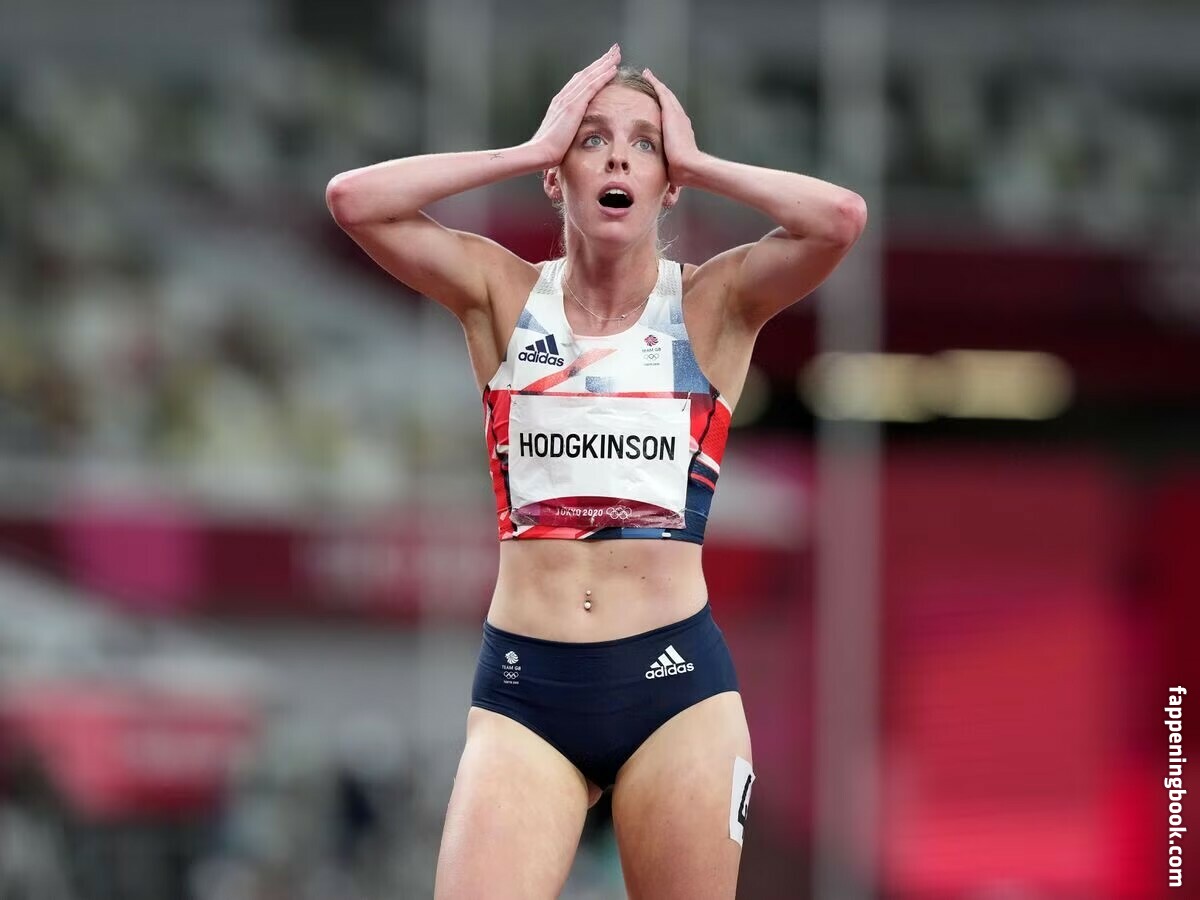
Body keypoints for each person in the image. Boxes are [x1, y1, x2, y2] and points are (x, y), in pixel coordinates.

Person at [326, 43, 866, 900]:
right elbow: (354, 201)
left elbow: (837, 218)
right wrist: (525, 149)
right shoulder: (504, 295)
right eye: (592, 140)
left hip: (676, 693)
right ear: (559, 177)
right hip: (526, 693)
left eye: (644, 144)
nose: (618, 158)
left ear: (667, 184)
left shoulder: (711, 305)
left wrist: (701, 163)